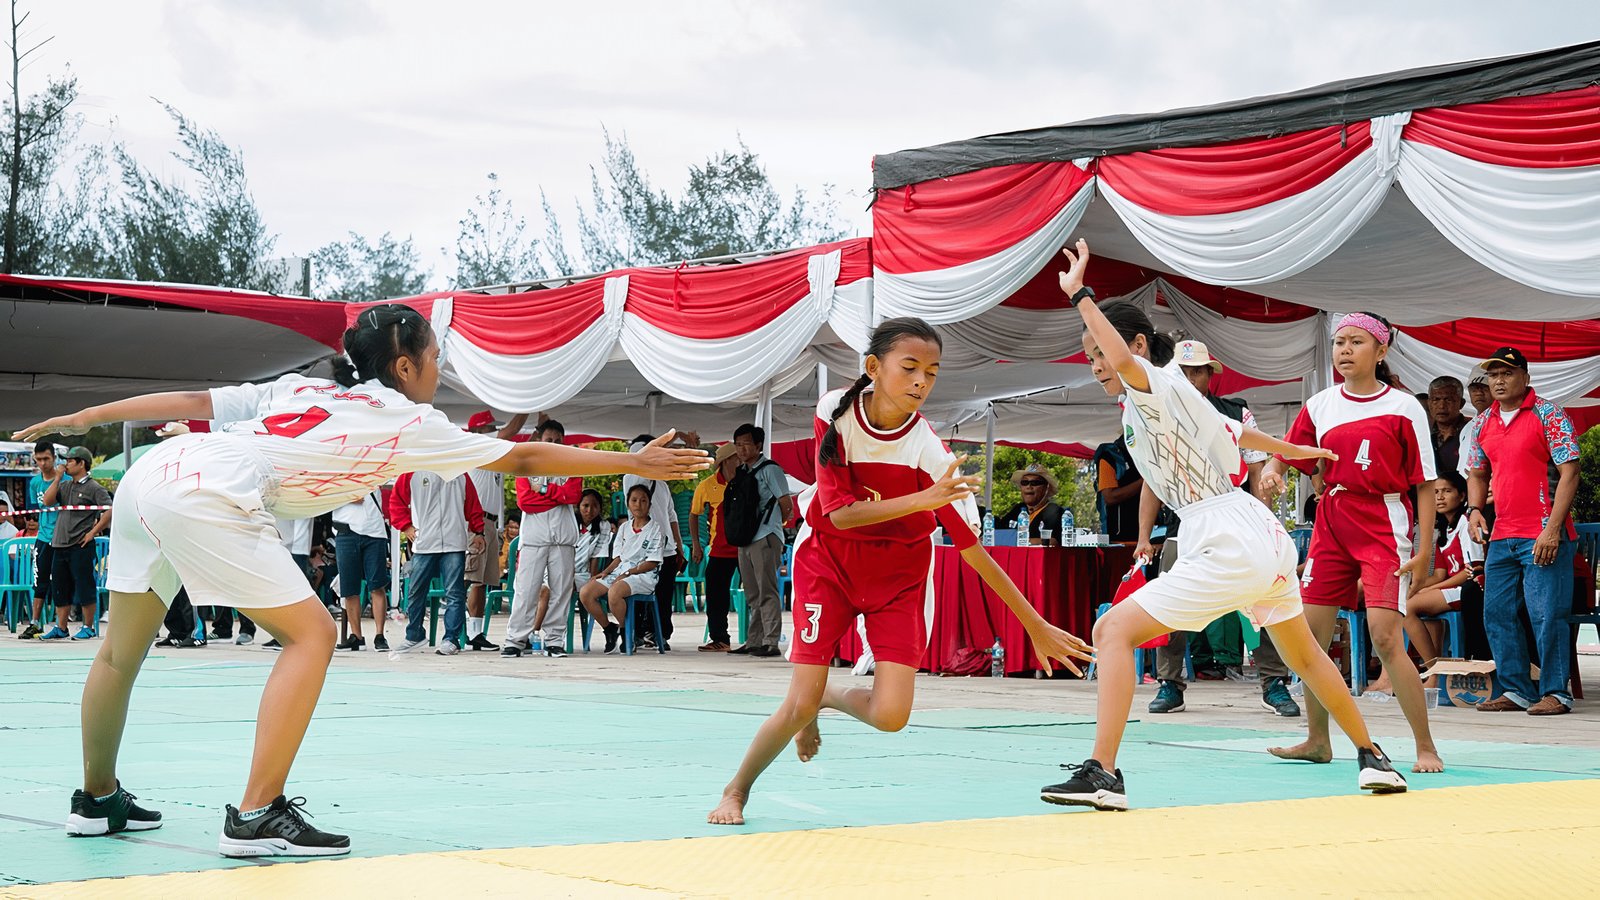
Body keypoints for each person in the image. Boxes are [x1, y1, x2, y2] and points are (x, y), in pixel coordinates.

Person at [16, 302, 707, 856]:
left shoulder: (303, 385)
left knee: (119, 652)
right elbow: (521, 457)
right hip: (212, 486)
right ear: (405, 366)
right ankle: (256, 814)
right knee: (314, 635)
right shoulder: (410, 421)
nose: (439, 367)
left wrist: (91, 417)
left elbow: (197, 398)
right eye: (434, 357)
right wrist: (631, 462)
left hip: (155, 474)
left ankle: (96, 800)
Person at [1040, 240, 1406, 811]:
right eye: (1088, 358)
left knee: (1111, 631)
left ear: (1135, 346)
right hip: (1257, 533)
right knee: (1305, 656)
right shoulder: (1172, 395)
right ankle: (1373, 758)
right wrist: (1297, 450)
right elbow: (1238, 433)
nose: (1096, 365)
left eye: (1099, 352)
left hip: (1223, 533)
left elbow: (1129, 364)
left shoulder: (1152, 382)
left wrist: (1081, 296)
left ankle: (1104, 774)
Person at [708, 317, 1094, 826]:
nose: (920, 382)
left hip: (899, 578)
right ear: (873, 367)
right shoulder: (835, 413)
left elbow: (974, 552)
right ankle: (736, 790)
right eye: (909, 368)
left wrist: (1035, 624)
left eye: (931, 373)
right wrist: (921, 499)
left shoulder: (931, 452)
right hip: (828, 565)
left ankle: (827, 697)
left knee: (891, 717)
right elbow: (840, 513)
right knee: (796, 704)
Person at [1258, 310, 1443, 774]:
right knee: (1310, 638)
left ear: (1381, 351)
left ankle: (1426, 747)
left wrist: (1424, 549)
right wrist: (1274, 469)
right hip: (1332, 520)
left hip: (1383, 521)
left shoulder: (1404, 407)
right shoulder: (1320, 404)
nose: (1344, 350)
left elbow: (1424, 484)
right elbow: (1290, 451)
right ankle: (1317, 740)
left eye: (1356, 342)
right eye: (1340, 342)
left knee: (1385, 637)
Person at [1147, 340, 1300, 718]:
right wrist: (1141, 537)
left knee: (1266, 599)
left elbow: (1258, 471)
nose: (1190, 378)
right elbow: (1152, 481)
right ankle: (1170, 683)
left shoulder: (1237, 413)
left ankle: (1274, 683)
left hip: (1238, 520)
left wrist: (1265, 522)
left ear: (1209, 375)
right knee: (1169, 601)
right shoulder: (1159, 414)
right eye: (1183, 371)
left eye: (1197, 371)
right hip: (1185, 523)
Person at [1465, 347, 1581, 715]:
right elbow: (1476, 472)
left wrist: (1552, 529)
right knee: (1496, 613)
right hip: (1503, 533)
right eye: (1493, 375)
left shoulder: (1548, 413)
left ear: (1525, 378)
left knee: (1546, 614)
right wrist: (1474, 510)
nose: (1498, 381)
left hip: (1543, 531)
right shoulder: (1483, 422)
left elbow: (1570, 472)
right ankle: (1516, 690)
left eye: (1507, 373)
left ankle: (1556, 693)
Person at [1373, 472, 1487, 688]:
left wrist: (1430, 591)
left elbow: (1473, 571)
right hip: (1452, 588)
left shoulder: (1466, 523)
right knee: (1407, 601)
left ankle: (1434, 672)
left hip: (1470, 589)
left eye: (1447, 491)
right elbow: (1440, 574)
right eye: (1435, 492)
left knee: (1409, 608)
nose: (1440, 497)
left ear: (1462, 496)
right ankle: (1434, 671)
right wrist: (1417, 588)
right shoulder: (1443, 529)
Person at [503, 418, 582, 658]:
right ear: (540, 439)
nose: (553, 444)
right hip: (534, 538)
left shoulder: (572, 464)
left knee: (561, 592)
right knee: (526, 591)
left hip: (563, 539)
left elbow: (574, 495)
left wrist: (546, 490)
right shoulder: (527, 465)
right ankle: (516, 640)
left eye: (558, 440)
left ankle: (554, 641)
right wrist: (559, 497)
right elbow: (526, 501)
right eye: (549, 440)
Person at [386, 470, 483, 657]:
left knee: (454, 593)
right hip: (425, 543)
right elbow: (396, 500)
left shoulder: (460, 473)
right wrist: (405, 525)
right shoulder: (412, 472)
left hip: (454, 541)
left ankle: (451, 639)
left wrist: (478, 531)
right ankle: (414, 634)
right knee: (416, 591)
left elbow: (472, 503)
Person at [465, 410, 528, 651]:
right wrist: (529, 405)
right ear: (479, 431)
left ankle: (475, 632)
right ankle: (468, 631)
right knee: (473, 579)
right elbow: (511, 430)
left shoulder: (491, 453)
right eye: (490, 427)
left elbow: (521, 446)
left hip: (489, 522)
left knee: (481, 580)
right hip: (478, 521)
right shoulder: (478, 445)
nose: (495, 431)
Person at [577, 483, 666, 653]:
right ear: (628, 503)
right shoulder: (624, 528)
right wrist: (605, 572)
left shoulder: (655, 529)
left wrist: (629, 572)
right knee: (586, 592)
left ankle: (627, 632)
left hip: (643, 574)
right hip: (620, 572)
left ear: (650, 504)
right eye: (634, 500)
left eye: (643, 501)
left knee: (615, 592)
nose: (638, 505)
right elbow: (618, 558)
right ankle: (610, 629)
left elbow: (653, 562)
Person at [728, 425, 791, 657]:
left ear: (758, 445)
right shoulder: (742, 471)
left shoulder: (770, 470)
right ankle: (754, 640)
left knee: (767, 590)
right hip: (746, 537)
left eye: (746, 444)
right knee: (752, 593)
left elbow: (786, 504)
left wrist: (774, 527)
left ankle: (770, 641)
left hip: (765, 537)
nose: (741, 449)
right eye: (738, 444)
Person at [39, 446, 112, 641]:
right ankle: (61, 627)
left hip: (80, 545)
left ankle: (88, 627)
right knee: (60, 587)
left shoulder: (94, 488)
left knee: (84, 586)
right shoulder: (65, 485)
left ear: (81, 464)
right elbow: (47, 501)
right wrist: (56, 478)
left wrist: (92, 533)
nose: (66, 464)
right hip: (59, 544)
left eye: (70, 461)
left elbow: (109, 509)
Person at [624, 435, 688, 651]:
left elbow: (672, 515)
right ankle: (637, 633)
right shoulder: (630, 478)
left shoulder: (662, 484)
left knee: (664, 594)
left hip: (666, 547)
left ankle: (660, 634)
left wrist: (678, 545)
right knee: (636, 590)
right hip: (641, 548)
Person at [692, 443, 743, 651]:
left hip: (745, 548)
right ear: (726, 461)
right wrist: (696, 544)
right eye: (736, 457)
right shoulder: (707, 485)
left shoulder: (746, 481)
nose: (740, 460)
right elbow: (694, 514)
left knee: (755, 593)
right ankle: (720, 639)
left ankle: (758, 638)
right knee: (715, 596)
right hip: (719, 549)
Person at [331, 491, 391, 652]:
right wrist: (347, 496)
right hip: (345, 530)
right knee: (349, 589)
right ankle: (356, 636)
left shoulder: (372, 474)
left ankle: (380, 635)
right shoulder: (334, 477)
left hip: (374, 531)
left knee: (377, 585)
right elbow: (324, 495)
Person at [16, 442, 62, 640]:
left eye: (47, 459)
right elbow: (35, 510)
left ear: (54, 458)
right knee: (39, 580)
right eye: (39, 459)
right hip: (42, 538)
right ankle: (34, 623)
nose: (43, 463)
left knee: (62, 581)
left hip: (62, 538)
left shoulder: (65, 480)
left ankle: (62, 624)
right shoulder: (35, 482)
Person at [995, 464, 1065, 545]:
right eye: (1025, 482)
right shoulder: (1018, 509)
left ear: (1046, 487)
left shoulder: (1055, 512)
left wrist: (1017, 541)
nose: (1029, 486)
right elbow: (998, 533)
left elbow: (1053, 541)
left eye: (1035, 483)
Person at [1426, 376, 1473, 476]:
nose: (1442, 406)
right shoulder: (1422, 431)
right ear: (1429, 403)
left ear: (1461, 403)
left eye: (1448, 400)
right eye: (1436, 399)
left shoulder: (1472, 430)